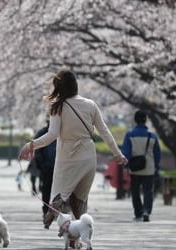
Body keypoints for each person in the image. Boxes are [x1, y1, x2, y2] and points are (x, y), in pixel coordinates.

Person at [19, 70, 127, 235]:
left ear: (58, 87)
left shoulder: (58, 106)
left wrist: (31, 145)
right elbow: (104, 131)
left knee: (60, 194)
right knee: (80, 200)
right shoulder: (90, 104)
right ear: (75, 85)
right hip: (88, 155)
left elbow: (52, 135)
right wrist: (117, 154)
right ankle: (81, 234)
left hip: (67, 156)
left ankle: (57, 213)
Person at [122, 110, 161, 222]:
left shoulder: (130, 135)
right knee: (148, 190)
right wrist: (156, 166)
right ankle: (146, 210)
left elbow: (126, 152)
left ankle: (138, 212)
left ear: (135, 120)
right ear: (146, 120)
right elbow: (157, 153)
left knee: (135, 191)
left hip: (135, 168)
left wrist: (126, 165)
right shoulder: (152, 136)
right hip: (149, 168)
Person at [33, 120, 56, 217]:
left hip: (60, 167)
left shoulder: (63, 132)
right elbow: (36, 149)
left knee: (58, 190)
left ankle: (55, 210)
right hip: (46, 168)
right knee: (46, 189)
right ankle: (46, 210)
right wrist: (42, 164)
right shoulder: (42, 133)